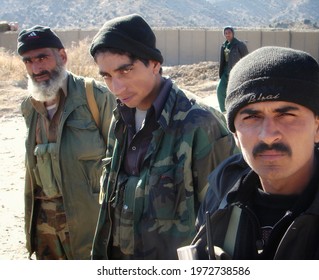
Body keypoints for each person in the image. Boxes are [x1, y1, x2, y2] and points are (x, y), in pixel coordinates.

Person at [89, 14, 236, 260]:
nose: (115, 87)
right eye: (106, 76)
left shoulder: (200, 124)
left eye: (125, 71)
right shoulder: (120, 117)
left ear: (154, 64)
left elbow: (223, 223)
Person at [189, 46, 319, 260]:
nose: (268, 135)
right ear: (235, 134)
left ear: (318, 128)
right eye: (251, 117)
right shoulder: (221, 193)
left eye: (287, 115)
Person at [17, 25, 116, 259]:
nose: (36, 67)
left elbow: (119, 161)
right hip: (45, 232)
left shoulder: (95, 97)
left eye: (42, 58)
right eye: (28, 61)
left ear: (62, 56)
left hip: (87, 228)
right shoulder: (29, 107)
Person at [216, 26, 248, 113]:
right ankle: (224, 111)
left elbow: (246, 59)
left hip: (237, 71)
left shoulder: (240, 45)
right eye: (225, 33)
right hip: (226, 71)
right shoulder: (224, 46)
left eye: (229, 33)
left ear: (233, 33)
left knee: (236, 92)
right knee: (220, 90)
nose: (227, 35)